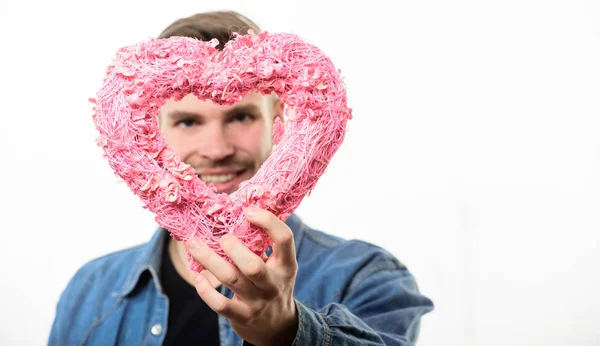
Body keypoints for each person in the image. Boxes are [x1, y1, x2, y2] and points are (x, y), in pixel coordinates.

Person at [48, 10, 434, 346]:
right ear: (154, 128)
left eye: (241, 117)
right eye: (187, 121)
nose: (217, 149)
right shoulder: (90, 290)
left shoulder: (365, 276)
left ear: (278, 119)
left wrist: (288, 332)